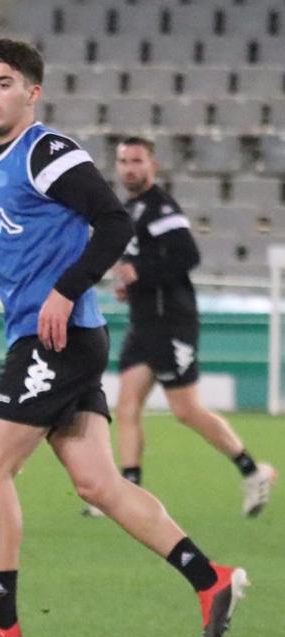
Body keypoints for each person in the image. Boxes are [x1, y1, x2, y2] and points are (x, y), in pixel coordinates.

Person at [0, 38, 247, 637]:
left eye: (3, 83)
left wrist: (66, 291)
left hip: (58, 339)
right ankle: (213, 581)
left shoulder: (47, 151)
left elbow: (115, 224)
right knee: (100, 485)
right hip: (56, 338)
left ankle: (0, 623)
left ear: (32, 92)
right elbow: (2, 238)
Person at [82, 136, 275, 519]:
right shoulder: (132, 209)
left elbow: (188, 254)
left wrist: (142, 273)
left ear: (152, 165)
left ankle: (254, 472)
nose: (129, 168)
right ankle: (128, 489)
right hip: (144, 322)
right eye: (123, 161)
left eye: (136, 160)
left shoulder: (160, 207)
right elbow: (147, 263)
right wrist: (131, 285)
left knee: (186, 410)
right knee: (126, 406)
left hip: (171, 322)